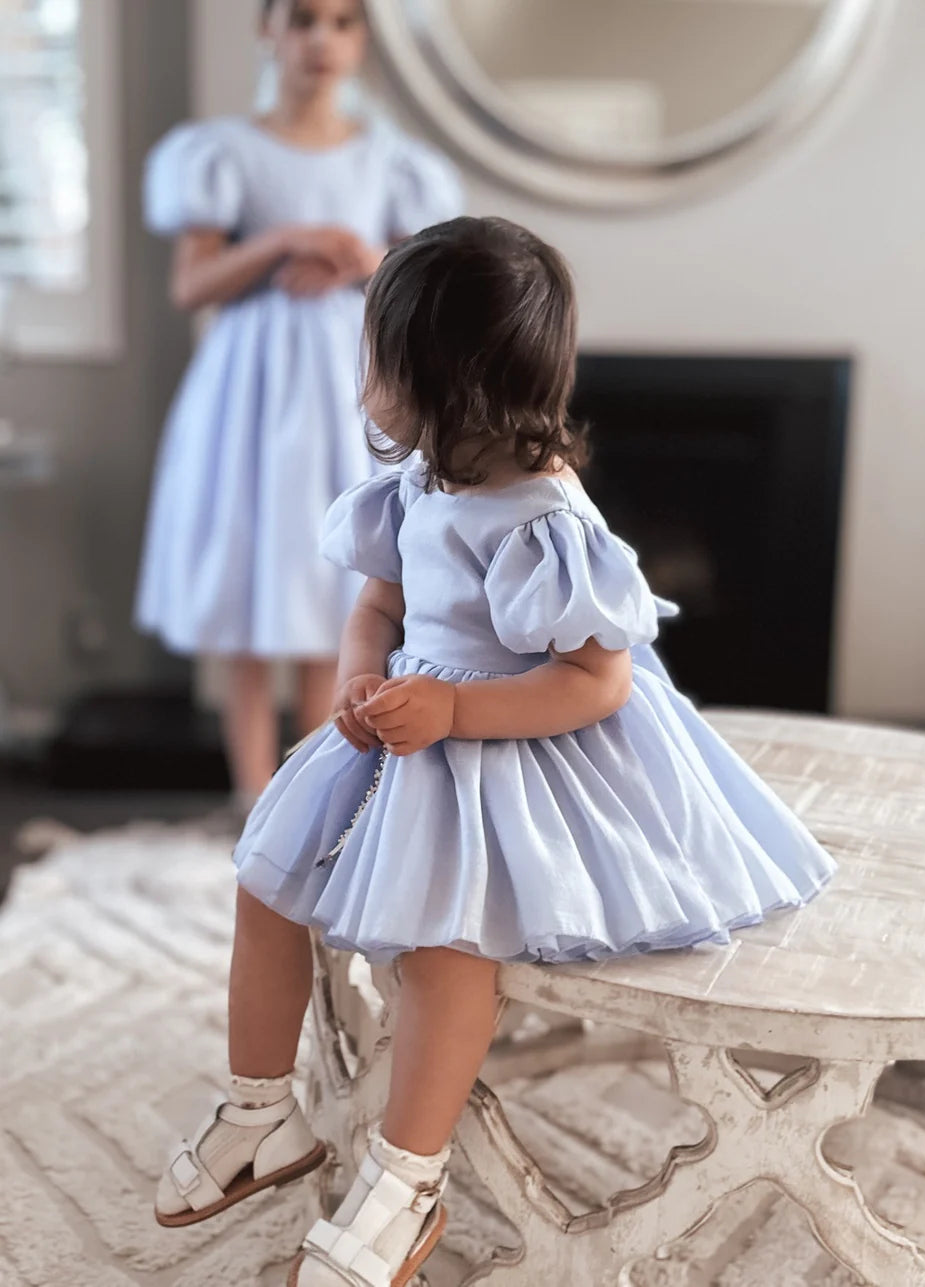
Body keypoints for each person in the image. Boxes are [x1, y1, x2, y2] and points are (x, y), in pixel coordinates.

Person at [153, 217, 836, 1287]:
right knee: (264, 877)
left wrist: (457, 717)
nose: (363, 376)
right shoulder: (422, 480)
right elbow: (376, 604)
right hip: (407, 723)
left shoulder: (544, 515)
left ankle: (404, 1177)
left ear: (444, 379)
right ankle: (259, 1111)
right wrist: (357, 676)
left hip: (518, 742)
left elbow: (595, 680)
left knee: (443, 948)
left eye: (377, 357)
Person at [136, 0, 462, 806]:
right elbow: (191, 283)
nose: (324, 39)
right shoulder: (222, 152)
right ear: (269, 31)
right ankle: (253, 795)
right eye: (306, 19)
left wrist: (362, 257)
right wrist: (284, 239)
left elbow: (422, 278)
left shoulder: (391, 161)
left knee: (332, 583)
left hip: (346, 388)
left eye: (345, 22)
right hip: (248, 391)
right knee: (250, 573)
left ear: (360, 41)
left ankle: (316, 789)